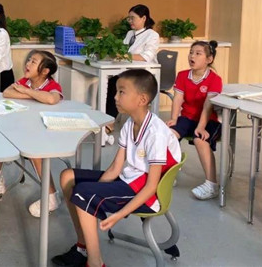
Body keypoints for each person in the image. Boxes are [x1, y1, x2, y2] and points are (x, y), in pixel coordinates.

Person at [52, 69, 181, 267]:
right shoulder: (130, 123)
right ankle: (83, 247)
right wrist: (96, 191)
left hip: (146, 193)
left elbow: (151, 186)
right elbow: (115, 169)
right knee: (68, 177)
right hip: (129, 180)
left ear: (142, 99)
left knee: (83, 194)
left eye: (122, 92)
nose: (115, 97)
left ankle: (95, 262)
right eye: (116, 91)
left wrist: (118, 215)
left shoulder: (155, 133)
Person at [3, 50, 63, 216]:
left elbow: (51, 99)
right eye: (28, 60)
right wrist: (33, 95)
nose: (27, 64)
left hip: (48, 133)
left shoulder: (52, 86)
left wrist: (27, 92)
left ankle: (52, 196)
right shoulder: (26, 81)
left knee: (36, 150)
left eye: (33, 62)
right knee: (2, 136)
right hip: (28, 130)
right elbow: (7, 92)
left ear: (45, 71)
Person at [167, 40, 222, 200]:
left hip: (210, 120)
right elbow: (178, 99)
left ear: (209, 59)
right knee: (169, 134)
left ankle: (212, 185)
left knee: (200, 140)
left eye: (198, 53)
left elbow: (208, 106)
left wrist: (201, 127)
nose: (192, 56)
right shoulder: (182, 75)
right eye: (191, 52)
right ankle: (168, 174)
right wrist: (173, 119)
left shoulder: (215, 79)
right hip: (187, 117)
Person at [105, 4, 160, 132]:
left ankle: (110, 121)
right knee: (111, 81)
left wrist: (125, 55)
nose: (130, 21)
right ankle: (107, 118)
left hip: (144, 74)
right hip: (128, 70)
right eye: (129, 18)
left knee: (115, 83)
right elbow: (123, 50)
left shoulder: (152, 35)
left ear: (143, 18)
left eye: (133, 18)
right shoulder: (130, 34)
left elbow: (146, 56)